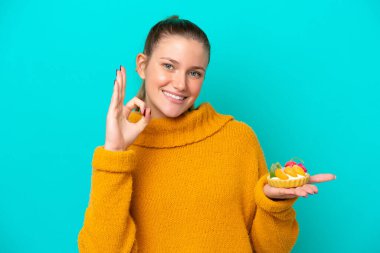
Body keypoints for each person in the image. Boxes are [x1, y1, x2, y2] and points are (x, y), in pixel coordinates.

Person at [77, 15, 336, 253]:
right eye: (169, 66)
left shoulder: (238, 139)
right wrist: (113, 154)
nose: (180, 84)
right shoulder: (122, 151)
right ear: (142, 66)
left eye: (194, 73)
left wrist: (273, 205)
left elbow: (269, 249)